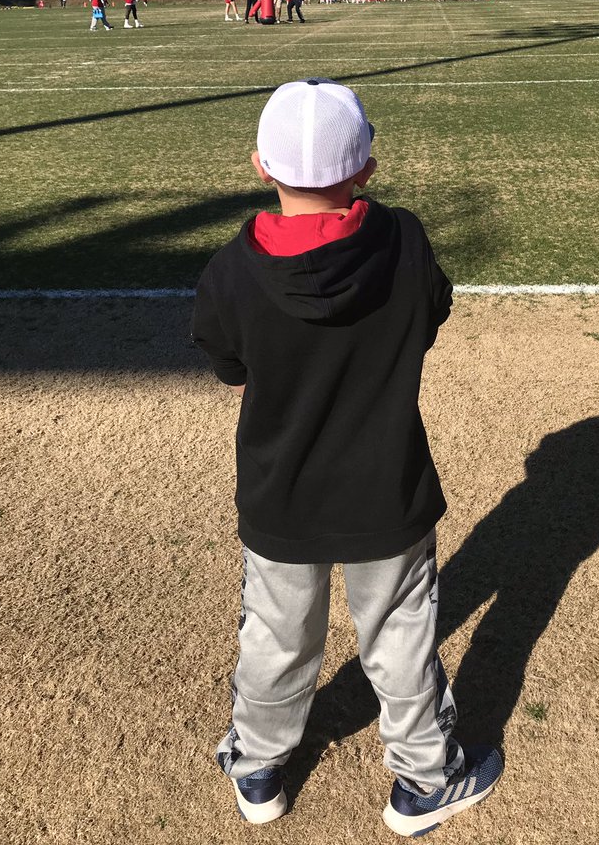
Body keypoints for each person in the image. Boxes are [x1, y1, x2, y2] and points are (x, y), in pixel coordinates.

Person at [191, 79, 503, 834]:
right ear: (364, 169)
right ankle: (424, 779)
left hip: (282, 495)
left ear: (261, 166)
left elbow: (228, 364)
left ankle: (259, 766)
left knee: (276, 637)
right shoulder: (404, 241)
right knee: (399, 636)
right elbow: (429, 315)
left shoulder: (232, 270)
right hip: (384, 492)